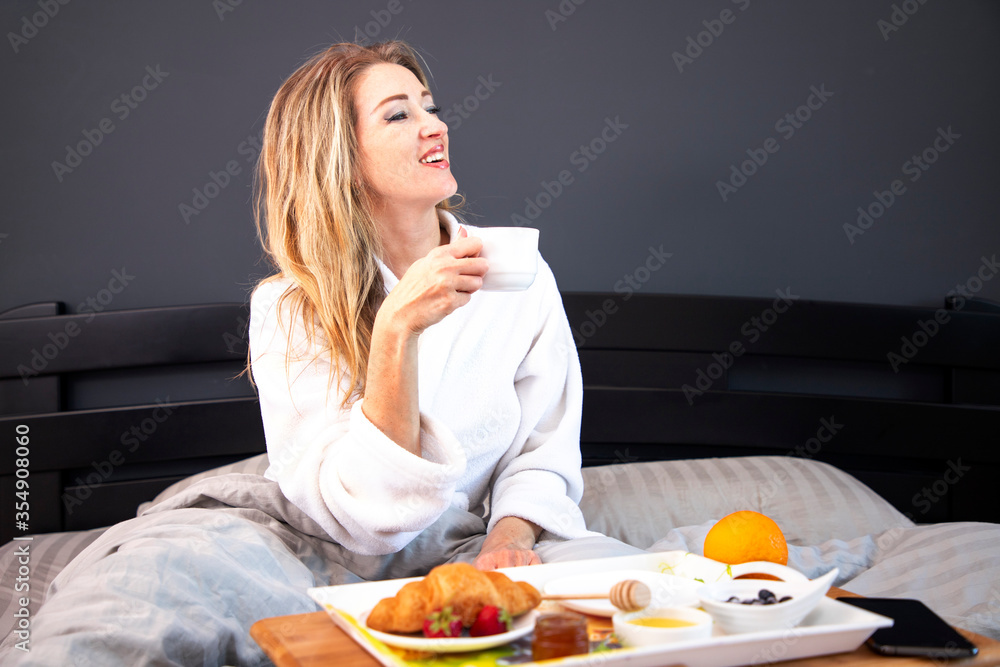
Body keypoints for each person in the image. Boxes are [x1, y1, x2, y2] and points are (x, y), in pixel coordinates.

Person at [248, 39, 616, 571]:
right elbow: (370, 515)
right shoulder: (289, 307)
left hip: (468, 544)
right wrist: (396, 327)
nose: (436, 126)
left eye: (430, 107)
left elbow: (543, 450)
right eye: (399, 115)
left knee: (621, 580)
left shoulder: (515, 271)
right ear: (340, 159)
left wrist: (506, 542)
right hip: (333, 554)